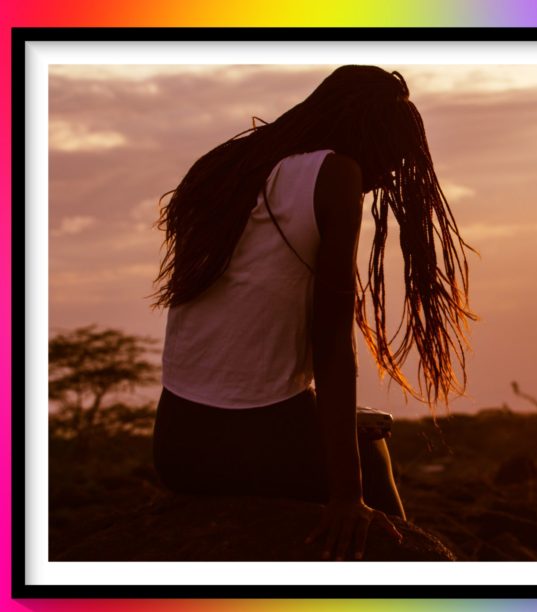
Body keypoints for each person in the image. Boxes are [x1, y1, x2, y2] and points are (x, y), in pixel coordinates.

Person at [148, 65, 476, 561]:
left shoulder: (222, 167)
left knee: (356, 423)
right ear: (363, 134)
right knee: (372, 458)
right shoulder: (334, 174)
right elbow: (331, 343)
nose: (386, 176)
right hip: (251, 442)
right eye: (389, 158)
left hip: (178, 445)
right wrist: (347, 498)